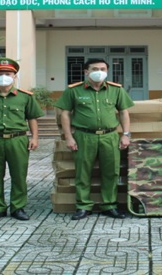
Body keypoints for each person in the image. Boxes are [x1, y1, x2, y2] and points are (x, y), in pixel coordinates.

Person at [56, 58, 134, 220]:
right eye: (95, 69)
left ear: (107, 71)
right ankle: (83, 206)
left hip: (110, 136)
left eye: (103, 69)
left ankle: (110, 205)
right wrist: (68, 137)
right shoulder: (73, 91)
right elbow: (65, 114)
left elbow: (123, 112)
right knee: (83, 172)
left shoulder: (116, 90)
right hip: (84, 136)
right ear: (86, 72)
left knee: (111, 172)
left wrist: (126, 134)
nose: (99, 72)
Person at [0, 57, 44, 222]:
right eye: (0, 73)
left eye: (8, 73)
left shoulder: (25, 97)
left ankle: (18, 207)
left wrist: (35, 137)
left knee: (19, 175)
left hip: (17, 139)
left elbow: (32, 118)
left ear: (15, 76)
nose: (4, 76)